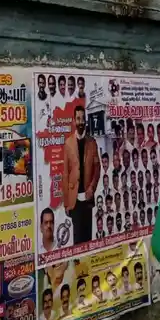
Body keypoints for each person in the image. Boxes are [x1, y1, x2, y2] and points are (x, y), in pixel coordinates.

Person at [63, 105, 101, 245]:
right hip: (74, 201)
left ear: (85, 121)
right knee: (78, 241)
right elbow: (65, 174)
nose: (80, 122)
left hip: (88, 199)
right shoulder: (68, 144)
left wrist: (92, 188)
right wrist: (66, 202)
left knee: (88, 240)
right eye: (78, 119)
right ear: (74, 121)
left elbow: (97, 168)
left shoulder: (92, 143)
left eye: (82, 119)